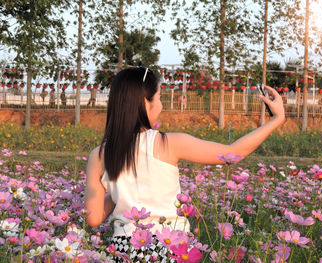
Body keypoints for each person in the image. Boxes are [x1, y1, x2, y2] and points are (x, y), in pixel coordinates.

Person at [84, 67, 285, 262]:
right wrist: (277, 119)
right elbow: (233, 153)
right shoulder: (168, 143)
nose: (161, 105)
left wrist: (120, 189)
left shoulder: (99, 155)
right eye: (159, 98)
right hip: (169, 248)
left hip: (123, 252)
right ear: (146, 103)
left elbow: (93, 218)